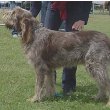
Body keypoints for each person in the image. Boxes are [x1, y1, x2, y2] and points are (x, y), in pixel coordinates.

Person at [30, 1, 92, 95]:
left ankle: (68, 86)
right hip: (54, 5)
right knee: (46, 45)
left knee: (72, 46)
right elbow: (35, 2)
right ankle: (49, 87)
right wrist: (30, 16)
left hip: (75, 6)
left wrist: (82, 18)